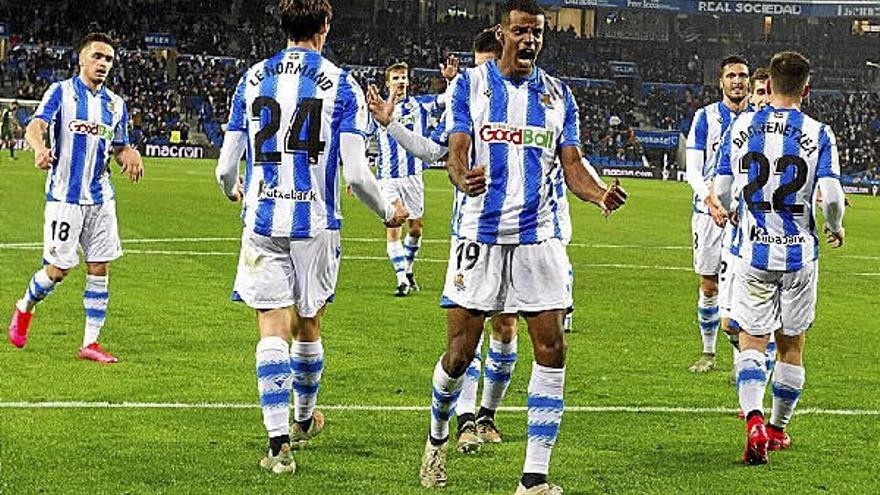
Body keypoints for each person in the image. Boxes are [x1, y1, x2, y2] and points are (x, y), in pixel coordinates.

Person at [416, 2, 627, 494]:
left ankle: (533, 478)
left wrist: (598, 194)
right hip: (480, 235)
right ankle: (437, 439)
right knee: (460, 353)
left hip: (539, 237)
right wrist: (459, 174)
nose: (529, 40)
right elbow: (458, 147)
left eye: (536, 32)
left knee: (552, 349)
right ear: (502, 32)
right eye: (520, 31)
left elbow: (571, 164)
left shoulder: (559, 96)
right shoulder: (470, 85)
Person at [214, 0, 407, 475]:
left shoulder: (251, 78)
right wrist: (389, 211)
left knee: (271, 329)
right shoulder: (343, 85)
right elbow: (359, 175)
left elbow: (224, 167)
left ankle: (277, 446)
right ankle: (303, 419)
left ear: (283, 25)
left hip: (262, 222)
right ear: (325, 26)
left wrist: (234, 188)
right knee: (309, 324)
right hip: (316, 225)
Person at [711, 50, 846, 465]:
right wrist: (835, 225)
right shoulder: (819, 132)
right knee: (791, 345)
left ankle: (752, 419)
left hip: (752, 252)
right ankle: (777, 429)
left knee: (752, 339)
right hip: (799, 255)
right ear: (806, 89)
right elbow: (834, 197)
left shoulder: (740, 125)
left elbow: (722, 188)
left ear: (767, 87)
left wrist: (733, 207)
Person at [7, 32, 143, 363]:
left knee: (100, 266)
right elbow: (34, 125)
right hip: (64, 198)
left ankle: (90, 343)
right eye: (97, 56)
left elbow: (119, 145)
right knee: (58, 270)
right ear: (82, 58)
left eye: (109, 59)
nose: (103, 64)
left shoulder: (116, 105)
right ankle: (25, 306)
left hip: (101, 197)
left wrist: (129, 154)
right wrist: (40, 148)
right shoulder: (61, 92)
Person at [685, 55, 750, 373]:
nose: (737, 81)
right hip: (708, 214)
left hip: (747, 218)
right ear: (720, 81)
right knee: (709, 284)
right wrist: (710, 201)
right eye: (731, 76)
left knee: (744, 287)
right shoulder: (704, 117)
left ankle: (743, 357)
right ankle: (709, 353)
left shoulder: (760, 120)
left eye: (742, 75)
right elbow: (693, 169)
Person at [371, 61, 441, 296]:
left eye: (403, 78)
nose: (401, 82)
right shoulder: (376, 109)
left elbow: (447, 99)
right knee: (394, 223)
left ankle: (408, 270)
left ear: (409, 81)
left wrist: (450, 79)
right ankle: (401, 279)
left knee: (416, 229)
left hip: (414, 176)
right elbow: (362, 138)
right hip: (388, 178)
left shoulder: (420, 105)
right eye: (396, 78)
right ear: (387, 83)